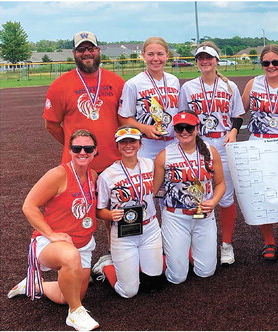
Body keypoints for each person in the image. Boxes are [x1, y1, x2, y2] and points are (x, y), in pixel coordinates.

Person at [7, 129, 100, 331]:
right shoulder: (58, 174)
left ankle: (35, 284)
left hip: (82, 245)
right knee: (69, 256)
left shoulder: (92, 175)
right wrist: (51, 234)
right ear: (70, 150)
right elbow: (29, 206)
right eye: (77, 148)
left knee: (64, 297)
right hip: (52, 243)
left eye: (88, 148)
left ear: (95, 151)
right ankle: (76, 313)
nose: (82, 152)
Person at [178, 41, 245, 266]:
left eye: (209, 57)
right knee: (197, 193)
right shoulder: (188, 87)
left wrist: (234, 131)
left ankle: (226, 244)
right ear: (197, 62)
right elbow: (182, 117)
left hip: (223, 145)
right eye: (200, 58)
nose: (205, 62)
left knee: (225, 197)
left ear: (217, 60)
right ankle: (196, 244)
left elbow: (238, 115)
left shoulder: (229, 86)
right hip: (198, 145)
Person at [241, 44, 278, 261]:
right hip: (258, 144)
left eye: (275, 62)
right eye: (266, 63)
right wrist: (230, 131)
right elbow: (239, 112)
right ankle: (268, 241)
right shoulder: (253, 83)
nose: (270, 66)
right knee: (263, 195)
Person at [153, 111, 225, 284]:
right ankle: (169, 256)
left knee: (206, 272)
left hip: (204, 216)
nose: (184, 132)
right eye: (179, 128)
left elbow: (221, 184)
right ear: (175, 130)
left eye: (189, 127)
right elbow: (153, 190)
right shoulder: (165, 155)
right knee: (177, 277)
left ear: (197, 128)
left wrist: (214, 201)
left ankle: (186, 252)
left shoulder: (210, 151)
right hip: (176, 216)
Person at [92, 126, 163, 297]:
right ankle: (105, 266)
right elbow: (98, 210)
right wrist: (110, 215)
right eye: (123, 142)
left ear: (140, 143)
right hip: (124, 233)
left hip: (150, 228)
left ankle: (135, 265)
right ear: (117, 146)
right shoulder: (107, 175)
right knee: (129, 292)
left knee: (153, 284)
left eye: (132, 141)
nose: (128, 145)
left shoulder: (150, 164)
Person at [43, 31, 124, 173]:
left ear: (98, 50)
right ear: (74, 53)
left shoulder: (117, 82)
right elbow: (51, 125)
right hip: (78, 166)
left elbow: (125, 119)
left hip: (113, 164)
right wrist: (77, 146)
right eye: (81, 49)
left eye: (91, 48)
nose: (87, 53)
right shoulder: (59, 86)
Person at [118, 36, 180, 159]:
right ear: (143, 55)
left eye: (160, 54)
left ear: (167, 55)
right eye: (150, 54)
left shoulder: (174, 81)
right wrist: (145, 128)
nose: (155, 59)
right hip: (147, 145)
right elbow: (123, 118)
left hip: (174, 142)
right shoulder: (133, 84)